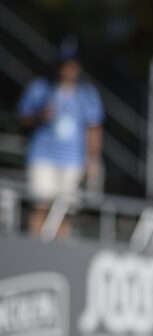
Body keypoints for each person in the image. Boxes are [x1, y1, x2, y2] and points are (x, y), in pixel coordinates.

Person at [16, 38, 104, 237]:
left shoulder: (87, 93)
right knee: (41, 204)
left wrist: (91, 159)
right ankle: (35, 247)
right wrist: (39, 116)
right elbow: (22, 116)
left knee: (65, 211)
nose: (68, 68)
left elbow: (94, 128)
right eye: (64, 63)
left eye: (72, 63)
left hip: (72, 160)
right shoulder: (39, 87)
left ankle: (59, 254)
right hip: (43, 156)